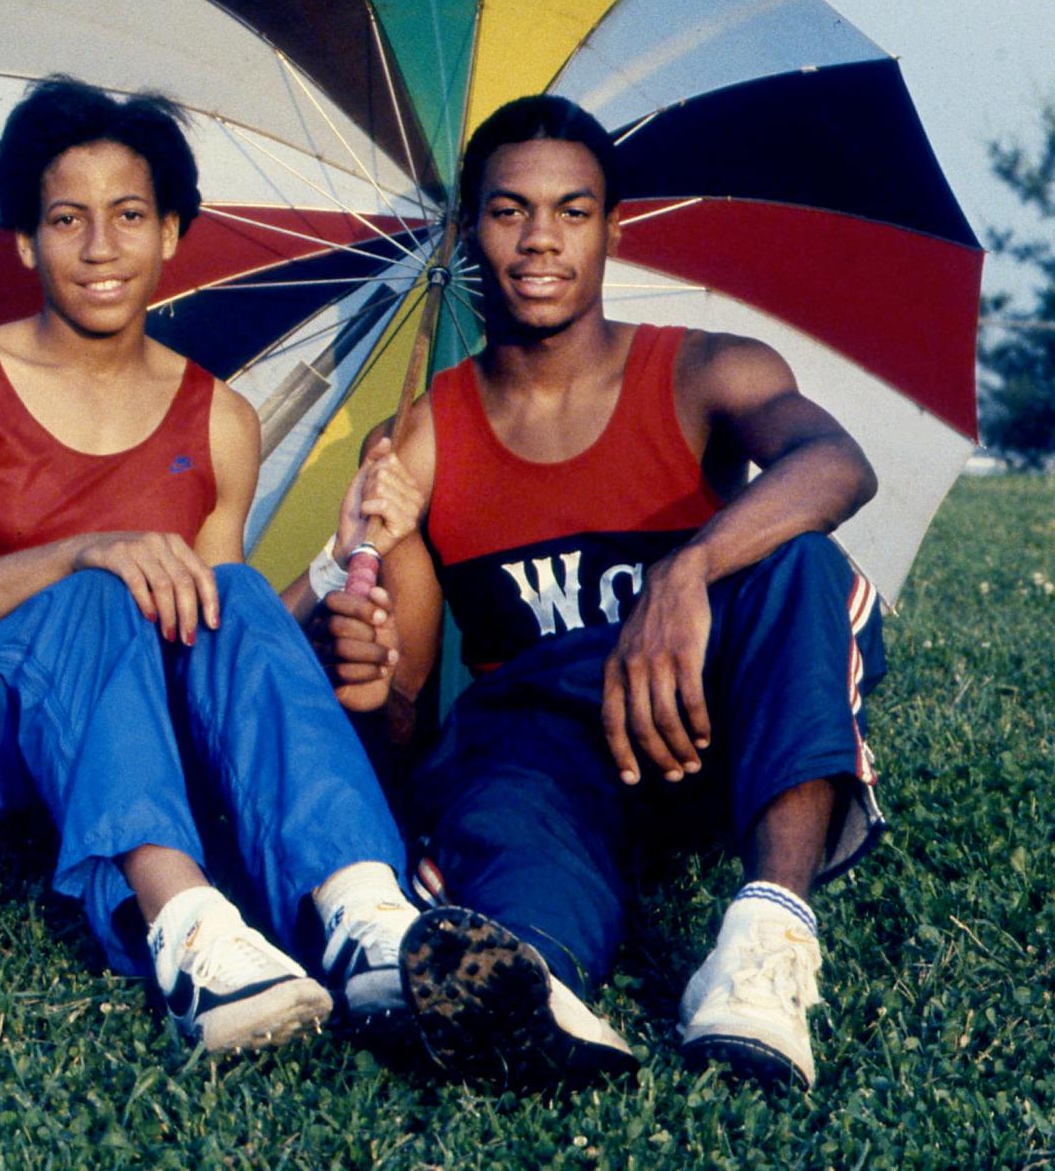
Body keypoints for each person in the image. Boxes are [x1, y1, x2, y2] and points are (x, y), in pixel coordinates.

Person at [0, 76, 426, 1056]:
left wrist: (333, 568)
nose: (100, 247)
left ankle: (369, 919)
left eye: (128, 216)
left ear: (170, 234)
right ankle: (191, 935)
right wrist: (81, 550)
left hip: (96, 732)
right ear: (28, 242)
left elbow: (207, 643)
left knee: (227, 586)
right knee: (94, 596)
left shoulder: (220, 420)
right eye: (68, 219)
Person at [324, 95, 887, 1090]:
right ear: (468, 231)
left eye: (572, 211)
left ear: (611, 228)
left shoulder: (704, 370)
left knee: (805, 570)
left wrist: (688, 568)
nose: (541, 239)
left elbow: (835, 464)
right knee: (497, 809)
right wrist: (366, 673)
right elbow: (405, 723)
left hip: (700, 726)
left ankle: (766, 941)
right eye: (508, 212)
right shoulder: (419, 438)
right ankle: (531, 989)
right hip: (542, 747)